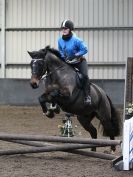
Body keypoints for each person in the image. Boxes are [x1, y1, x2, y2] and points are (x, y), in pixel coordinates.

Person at [58, 19, 91, 105]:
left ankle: (87, 96)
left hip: (79, 62)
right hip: (68, 62)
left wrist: (76, 55)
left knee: (84, 76)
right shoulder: (60, 40)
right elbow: (61, 50)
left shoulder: (77, 40)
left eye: (66, 28)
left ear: (70, 29)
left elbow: (85, 49)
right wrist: (62, 57)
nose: (64, 30)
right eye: (63, 28)